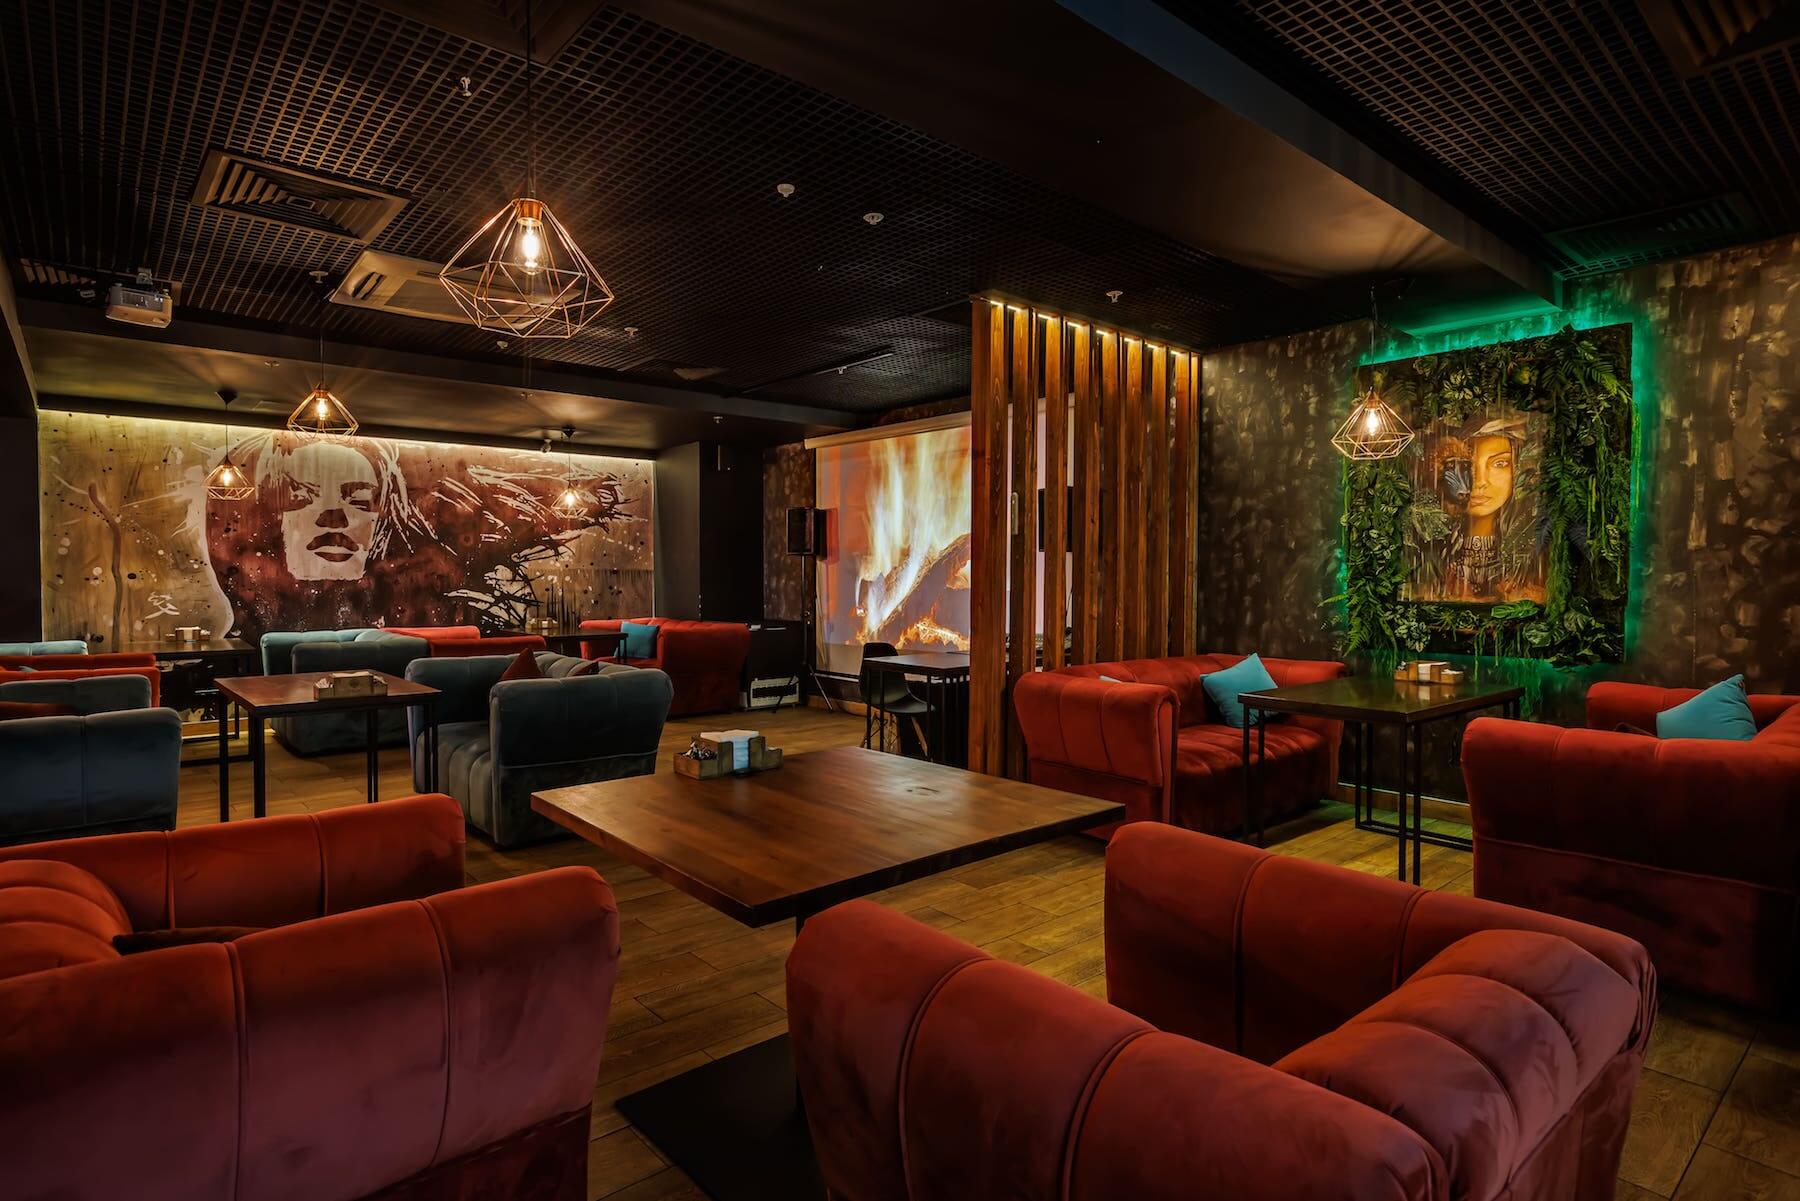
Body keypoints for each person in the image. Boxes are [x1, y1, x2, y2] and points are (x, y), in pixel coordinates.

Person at [1410, 414, 1545, 603]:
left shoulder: (1534, 547)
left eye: (1499, 463)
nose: (1479, 481)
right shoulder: (1427, 546)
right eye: (1467, 465)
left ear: (1518, 469)